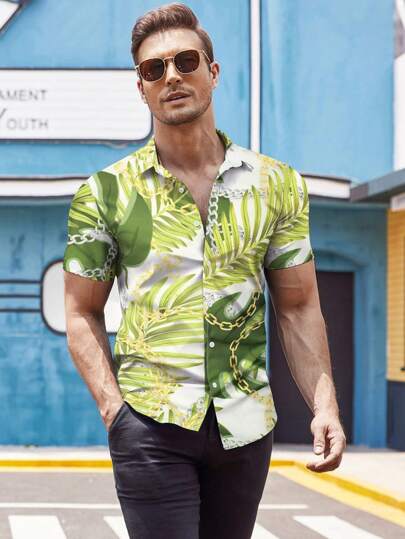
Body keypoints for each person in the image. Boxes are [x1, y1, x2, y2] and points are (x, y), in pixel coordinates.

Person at [63, 3, 346, 538]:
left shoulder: (276, 185)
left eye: (186, 61)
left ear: (212, 73)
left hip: (246, 426)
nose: (171, 76)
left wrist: (324, 405)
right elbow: (80, 312)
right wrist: (114, 412)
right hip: (150, 425)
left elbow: (298, 305)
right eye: (154, 69)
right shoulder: (105, 193)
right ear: (141, 88)